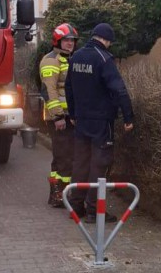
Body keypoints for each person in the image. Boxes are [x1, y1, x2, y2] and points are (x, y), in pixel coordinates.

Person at [65, 23, 134, 224]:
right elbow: (119, 90)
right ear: (106, 40)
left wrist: (73, 113)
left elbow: (69, 87)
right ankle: (95, 211)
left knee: (80, 163)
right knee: (99, 164)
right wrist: (128, 117)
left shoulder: (76, 57)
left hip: (82, 120)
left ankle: (75, 207)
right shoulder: (104, 59)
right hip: (102, 122)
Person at [39, 23, 78, 208]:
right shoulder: (51, 60)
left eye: (72, 40)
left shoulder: (68, 59)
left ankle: (59, 193)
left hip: (69, 117)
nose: (70, 43)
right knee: (64, 156)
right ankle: (59, 193)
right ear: (58, 41)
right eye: (67, 40)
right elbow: (48, 90)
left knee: (65, 155)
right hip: (59, 119)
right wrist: (58, 117)